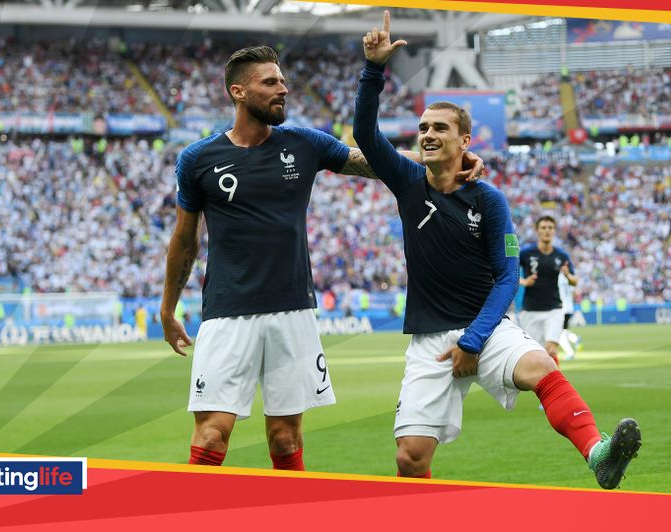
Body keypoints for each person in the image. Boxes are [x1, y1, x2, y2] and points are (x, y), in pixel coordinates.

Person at [161, 45, 483, 471]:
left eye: (282, 80)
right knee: (211, 433)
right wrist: (167, 307)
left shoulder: (303, 143)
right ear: (238, 92)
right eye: (270, 82)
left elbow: (368, 161)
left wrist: (443, 159)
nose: (284, 89)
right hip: (226, 312)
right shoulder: (199, 159)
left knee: (285, 437)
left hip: (293, 311)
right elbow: (184, 240)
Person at [353, 11, 640, 489]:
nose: (427, 134)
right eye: (423, 127)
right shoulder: (405, 181)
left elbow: (507, 278)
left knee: (540, 365)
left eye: (439, 128)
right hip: (430, 340)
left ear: (464, 140)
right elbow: (365, 134)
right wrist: (373, 69)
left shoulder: (489, 200)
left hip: (485, 330)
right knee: (410, 459)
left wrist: (472, 341)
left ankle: (598, 453)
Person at [518, 216, 578, 365]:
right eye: (543, 227)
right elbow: (508, 272)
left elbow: (575, 280)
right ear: (537, 231)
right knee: (536, 356)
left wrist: (567, 275)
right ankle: (543, 386)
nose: (547, 231)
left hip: (554, 309)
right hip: (531, 311)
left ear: (554, 231)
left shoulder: (561, 255)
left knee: (551, 350)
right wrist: (525, 281)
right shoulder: (526, 253)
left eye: (550, 228)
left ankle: (555, 386)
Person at [557, 270, 581, 360]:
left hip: (561, 307)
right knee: (563, 330)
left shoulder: (557, 277)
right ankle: (574, 338)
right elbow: (575, 292)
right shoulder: (568, 277)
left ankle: (570, 353)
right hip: (569, 307)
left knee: (559, 333)